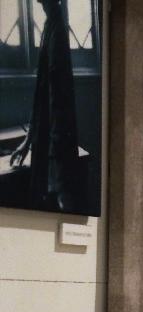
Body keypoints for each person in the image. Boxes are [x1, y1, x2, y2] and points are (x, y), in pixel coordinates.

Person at [10, 0, 78, 213]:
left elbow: (58, 101)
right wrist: (28, 141)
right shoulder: (51, 25)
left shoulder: (58, 29)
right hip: (47, 146)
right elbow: (42, 96)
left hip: (55, 154)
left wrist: (57, 174)